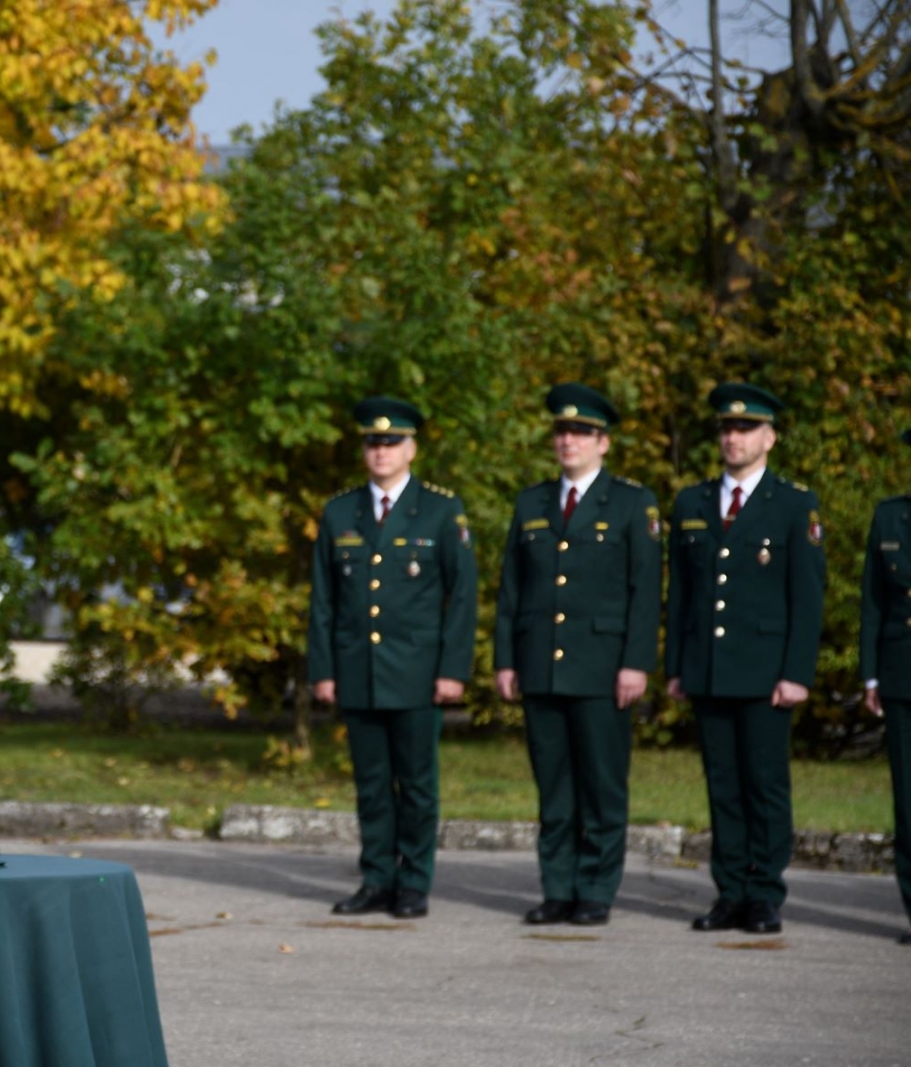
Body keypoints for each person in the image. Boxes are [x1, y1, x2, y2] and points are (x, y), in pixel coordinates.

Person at [494, 384, 661, 926]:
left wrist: (636, 661)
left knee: (602, 786)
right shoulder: (532, 502)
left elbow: (645, 589)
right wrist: (506, 659)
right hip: (541, 663)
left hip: (603, 667)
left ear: (603, 443)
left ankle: (595, 889)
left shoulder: (634, 503)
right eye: (562, 432)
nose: (569, 441)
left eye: (582, 433)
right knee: (555, 788)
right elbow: (512, 590)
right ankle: (558, 889)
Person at [308, 396, 477, 919]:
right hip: (358, 670)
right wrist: (324, 670)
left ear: (412, 448)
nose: (380, 452)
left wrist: (453, 670)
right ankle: (376, 879)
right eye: (372, 442)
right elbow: (323, 600)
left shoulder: (441, 510)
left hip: (418, 674)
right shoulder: (340, 512)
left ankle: (414, 883)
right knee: (372, 786)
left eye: (391, 442)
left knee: (418, 785)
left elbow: (462, 596)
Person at [665, 382, 824, 935]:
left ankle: (764, 894)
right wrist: (676, 666)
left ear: (770, 437)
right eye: (727, 429)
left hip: (765, 673)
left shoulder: (794, 504)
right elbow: (681, 596)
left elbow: (806, 599)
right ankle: (729, 892)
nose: (733, 438)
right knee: (723, 786)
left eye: (746, 428)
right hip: (708, 668)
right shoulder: (692, 501)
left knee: (764, 784)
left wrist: (796, 673)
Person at [860, 428, 911, 946]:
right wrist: (870, 673)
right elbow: (872, 600)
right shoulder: (891, 515)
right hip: (902, 672)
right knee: (909, 802)